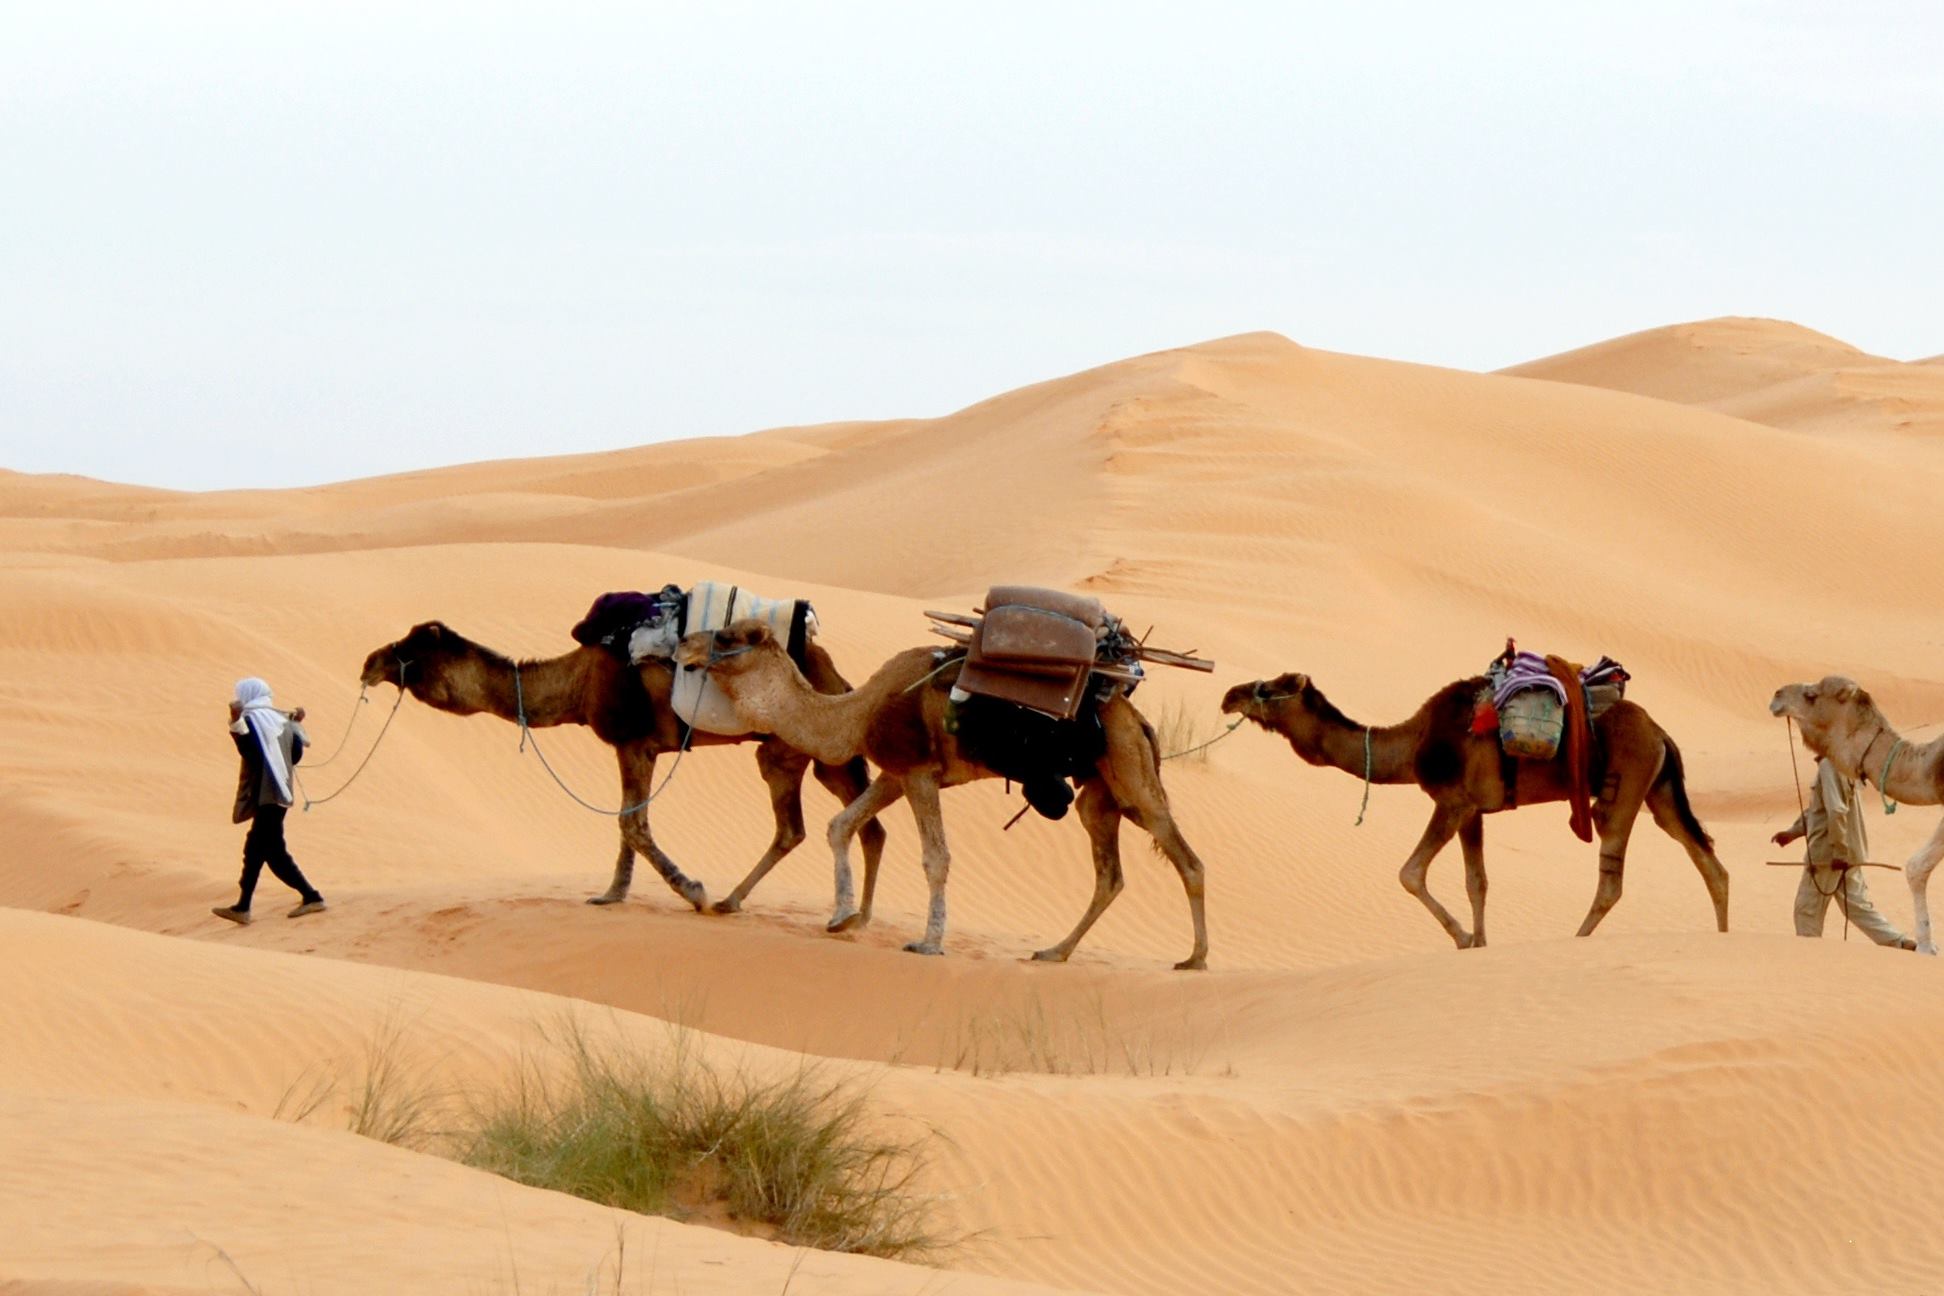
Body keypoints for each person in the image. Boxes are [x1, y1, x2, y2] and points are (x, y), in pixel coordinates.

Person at [213, 677, 327, 924]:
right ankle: (243, 907)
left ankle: (312, 896)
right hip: (280, 794)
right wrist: (296, 725)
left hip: (268, 794)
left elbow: (252, 753)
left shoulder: (253, 720)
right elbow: (294, 756)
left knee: (273, 853)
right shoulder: (280, 721)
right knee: (255, 849)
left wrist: (235, 722)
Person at [1772, 755, 1912, 949]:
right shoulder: (1845, 763)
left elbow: (1836, 810)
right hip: (1850, 852)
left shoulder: (1830, 765)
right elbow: (1819, 811)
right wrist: (1793, 832)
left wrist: (1839, 852)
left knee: (1807, 910)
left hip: (1829, 855)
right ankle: (1899, 942)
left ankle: (1808, 956)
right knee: (1857, 906)